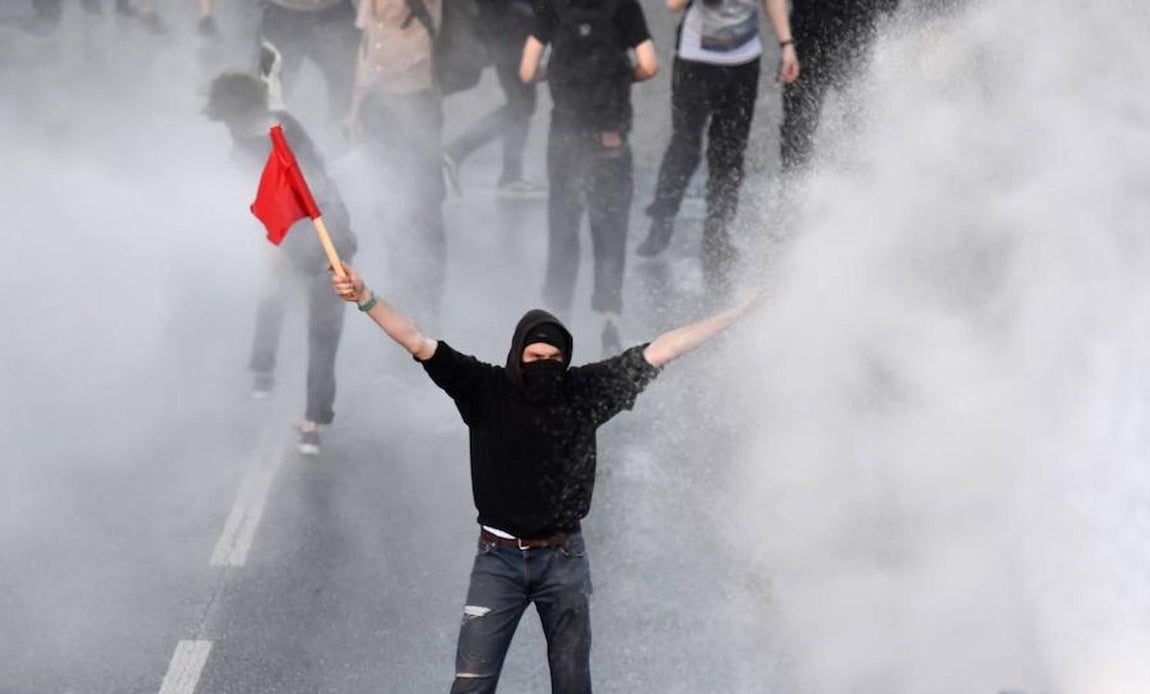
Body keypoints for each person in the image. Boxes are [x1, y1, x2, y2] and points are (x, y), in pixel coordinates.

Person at [329, 260, 763, 693]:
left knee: (573, 684)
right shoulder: (484, 388)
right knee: (471, 684)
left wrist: (737, 314)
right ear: (518, 354)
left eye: (555, 358)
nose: (545, 366)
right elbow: (416, 340)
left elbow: (662, 350)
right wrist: (366, 298)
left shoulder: (585, 392)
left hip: (564, 560)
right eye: (535, 357)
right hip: (496, 561)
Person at [205, 72, 358, 455]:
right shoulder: (286, 124)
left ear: (233, 115)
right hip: (333, 229)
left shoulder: (244, 150)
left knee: (273, 293)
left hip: (297, 239)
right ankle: (312, 425)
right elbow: (319, 172)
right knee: (324, 332)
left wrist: (274, 250)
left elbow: (268, 207)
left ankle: (263, 371)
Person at [520, 0, 659, 357]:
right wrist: (625, 76)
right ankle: (610, 321)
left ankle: (556, 318)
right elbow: (650, 64)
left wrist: (550, 74)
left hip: (565, 137)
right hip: (609, 138)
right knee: (610, 226)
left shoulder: (553, 5)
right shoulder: (624, 5)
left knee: (564, 224)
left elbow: (525, 71)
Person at [636, 0, 800, 290]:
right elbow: (673, 5)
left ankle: (718, 236)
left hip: (744, 61)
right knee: (685, 146)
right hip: (696, 60)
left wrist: (786, 43)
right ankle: (661, 222)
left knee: (730, 153)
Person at [348, 0, 447, 318]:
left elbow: (421, 51)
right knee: (387, 199)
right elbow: (366, 47)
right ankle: (398, 283)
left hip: (415, 101)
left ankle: (428, 296)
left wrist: (378, 77)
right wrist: (355, 108)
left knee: (424, 203)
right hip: (377, 106)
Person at [780, 0, 897, 174]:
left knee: (858, 121)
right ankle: (793, 188)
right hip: (812, 31)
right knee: (799, 128)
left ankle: (858, 184)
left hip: (853, 30)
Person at [442, 0, 542, 198]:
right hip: (509, 30)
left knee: (521, 103)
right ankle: (455, 152)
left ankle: (511, 174)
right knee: (522, 104)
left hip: (507, 29)